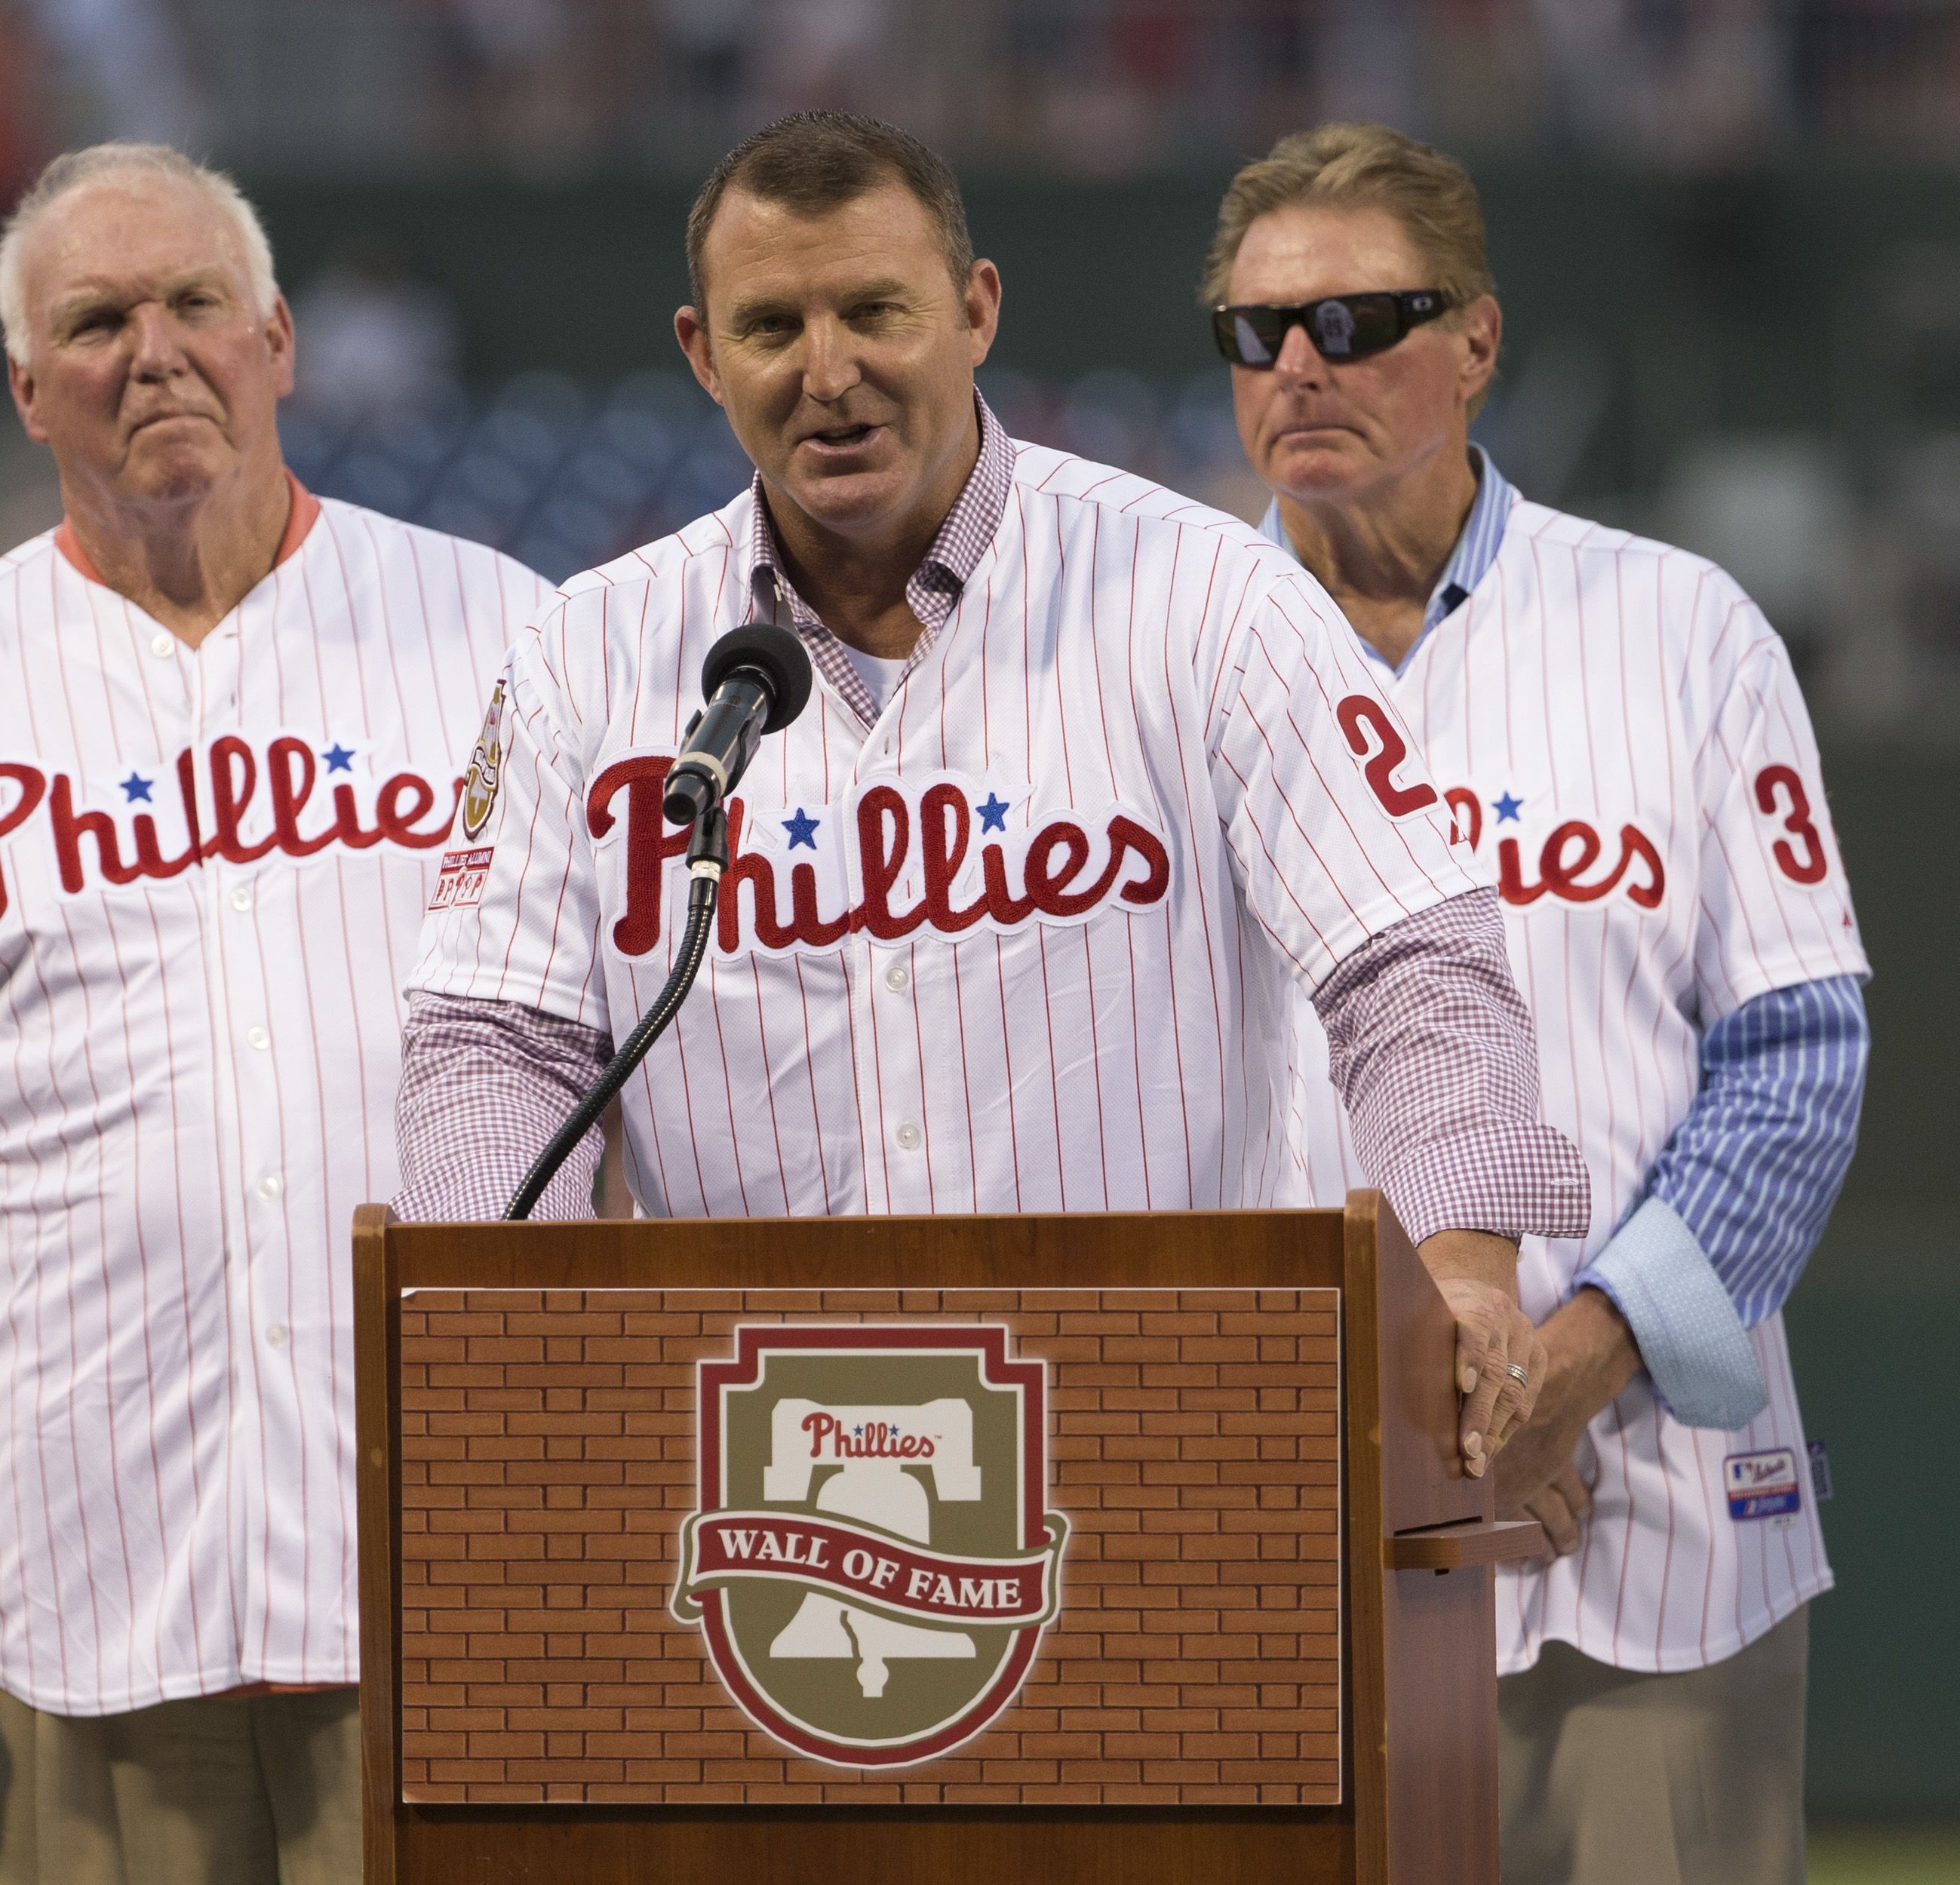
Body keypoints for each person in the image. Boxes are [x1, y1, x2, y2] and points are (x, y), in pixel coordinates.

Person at [394, 110, 1591, 1485]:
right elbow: (497, 1046)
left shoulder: (1209, 602)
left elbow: (1412, 969)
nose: (829, 372)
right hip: (755, 1474)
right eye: (773, 326)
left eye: (876, 312)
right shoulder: (583, 653)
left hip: (1154, 1447)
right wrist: (482, 1335)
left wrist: (1463, 1275)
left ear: (974, 312)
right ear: (702, 355)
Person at [0, 142, 551, 1884]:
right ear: (26, 388)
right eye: (96, 319)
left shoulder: (505, 637)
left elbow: (637, 1072)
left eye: (193, 305)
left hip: (459, 1561)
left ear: (281, 340)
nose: (153, 350)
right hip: (72, 1593)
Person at [1198, 121, 1869, 1885]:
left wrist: (1575, 1366)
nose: (1297, 369)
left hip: (1643, 1531)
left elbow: (1795, 1062)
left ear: (1478, 339)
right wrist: (1409, 1415)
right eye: (1257, 333)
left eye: (1355, 321)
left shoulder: (1680, 630)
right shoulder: (1150, 656)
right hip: (1287, 1542)